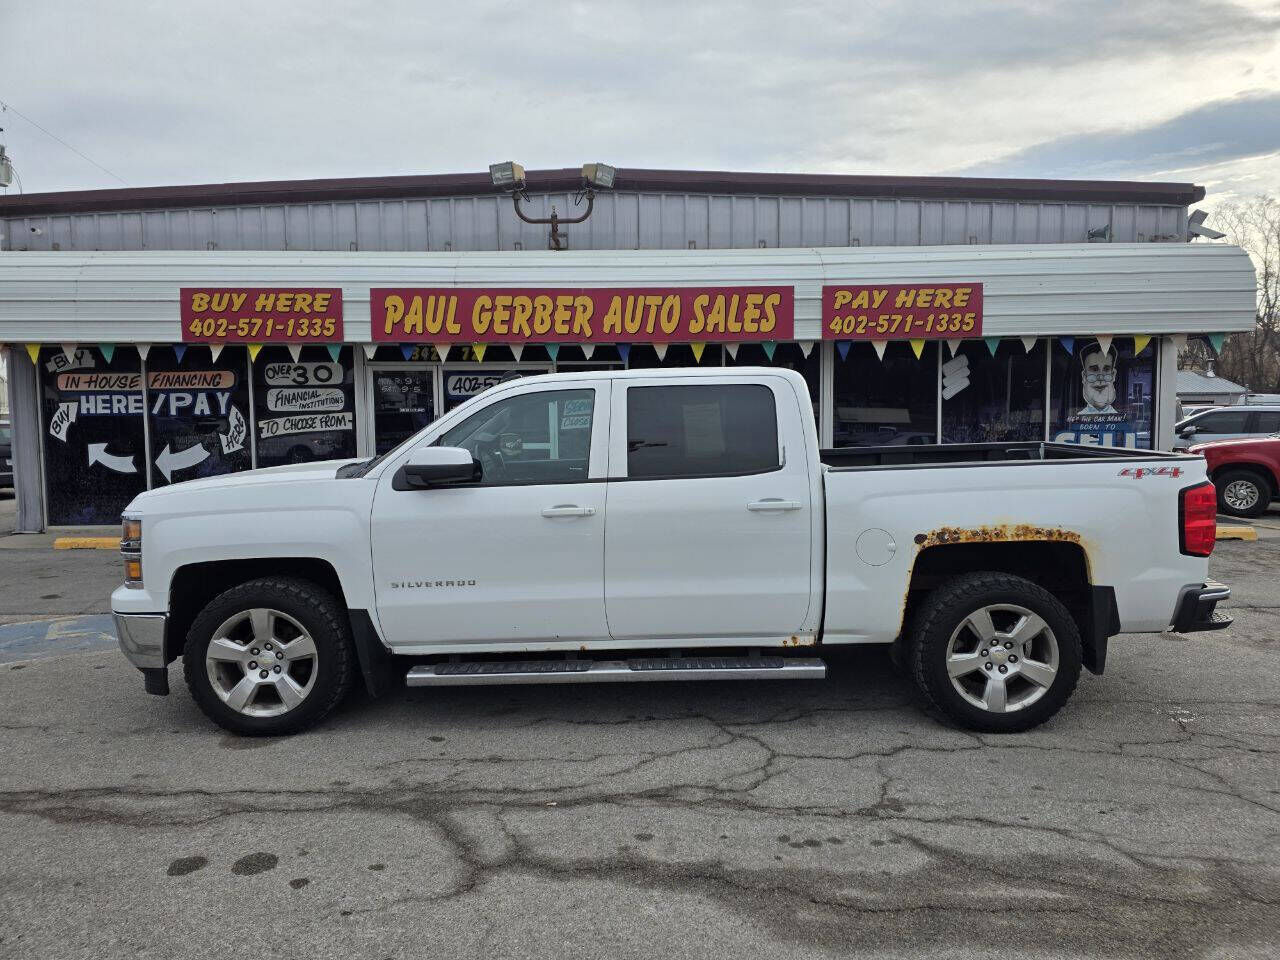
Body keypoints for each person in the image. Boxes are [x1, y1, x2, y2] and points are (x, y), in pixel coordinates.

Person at [1077, 340, 1118, 415]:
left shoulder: (1120, 419)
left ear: (1113, 375)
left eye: (1106, 370)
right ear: (1084, 377)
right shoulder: (1077, 419)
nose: (1100, 377)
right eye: (1094, 370)